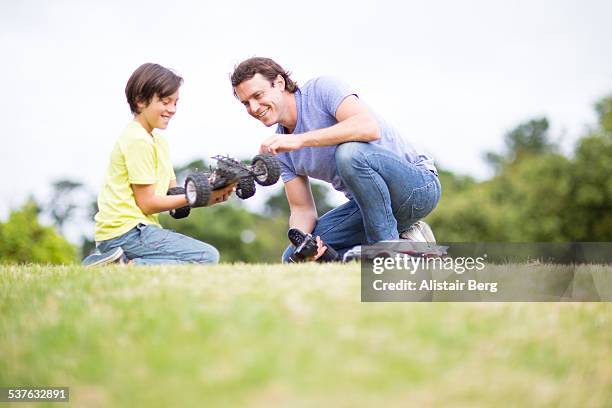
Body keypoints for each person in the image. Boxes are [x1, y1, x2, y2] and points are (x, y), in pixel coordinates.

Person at [230, 57, 441, 262]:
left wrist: (299, 140)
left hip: (417, 189)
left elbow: (368, 127)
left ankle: (388, 250)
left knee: (349, 154)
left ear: (279, 83)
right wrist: (303, 242)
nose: (254, 108)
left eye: (258, 95)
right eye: (246, 103)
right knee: (294, 257)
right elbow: (302, 209)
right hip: (370, 208)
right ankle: (412, 247)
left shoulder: (322, 89)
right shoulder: (281, 147)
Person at [82, 63, 234, 266]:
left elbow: (174, 193)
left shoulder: (158, 140)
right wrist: (194, 197)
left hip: (137, 230)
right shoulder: (137, 140)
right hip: (125, 232)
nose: (172, 109)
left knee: (203, 256)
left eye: (175, 103)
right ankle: (120, 266)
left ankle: (122, 262)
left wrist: (210, 189)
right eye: (165, 102)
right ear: (141, 101)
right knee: (207, 257)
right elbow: (147, 203)